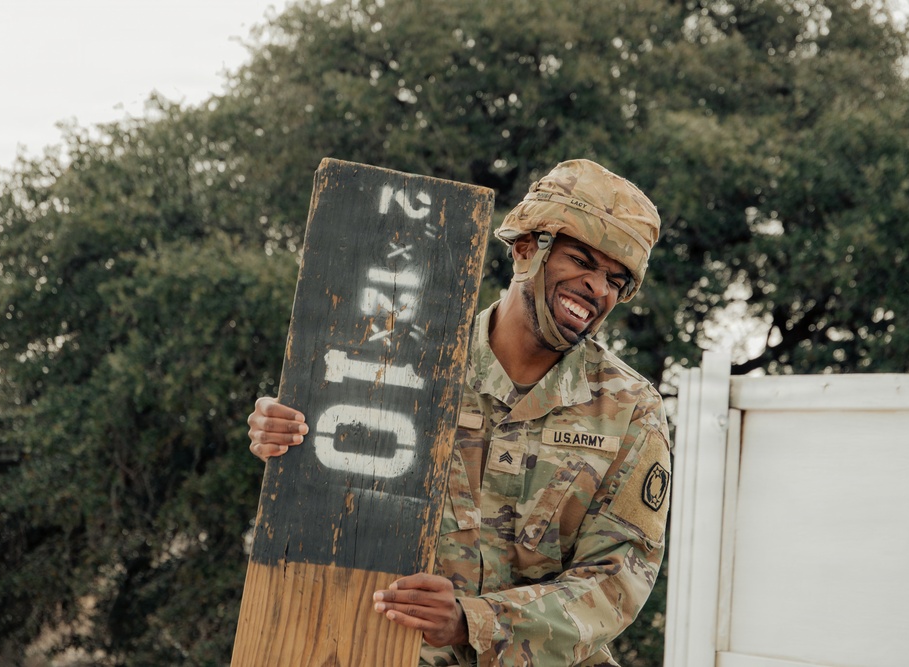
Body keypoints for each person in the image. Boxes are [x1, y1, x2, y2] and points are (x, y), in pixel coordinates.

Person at [247, 159, 671, 666]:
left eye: (616, 280)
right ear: (524, 250)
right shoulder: (406, 364)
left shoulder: (631, 410)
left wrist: (473, 622)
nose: (598, 288)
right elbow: (333, 499)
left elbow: (616, 580)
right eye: (581, 260)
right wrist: (287, 436)